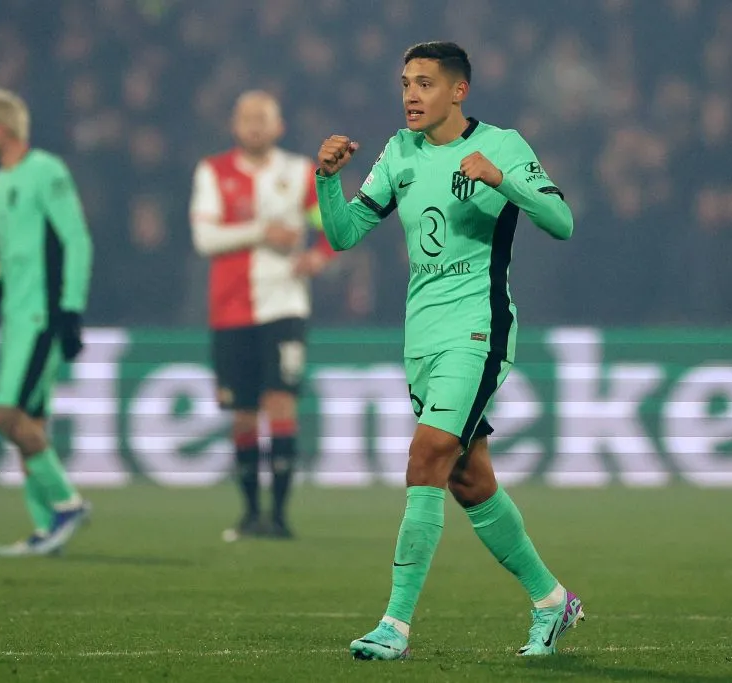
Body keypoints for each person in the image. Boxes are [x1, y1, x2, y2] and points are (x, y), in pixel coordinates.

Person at [314, 42, 581, 659]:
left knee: (428, 453)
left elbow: (562, 221)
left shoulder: (503, 145)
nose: (411, 95)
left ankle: (395, 626)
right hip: (421, 336)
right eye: (406, 83)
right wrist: (327, 181)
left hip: (478, 327)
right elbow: (343, 234)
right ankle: (550, 599)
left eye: (425, 84)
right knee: (467, 474)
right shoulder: (400, 151)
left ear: (458, 91)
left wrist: (504, 180)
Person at [190, 90, 334, 540]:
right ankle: (251, 514)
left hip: (285, 304)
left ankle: (281, 517)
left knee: (281, 403)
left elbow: (330, 223)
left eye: (263, 118)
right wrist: (261, 232)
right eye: (246, 117)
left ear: (279, 126)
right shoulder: (214, 171)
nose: (254, 125)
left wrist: (320, 256)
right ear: (235, 126)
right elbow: (205, 239)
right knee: (244, 416)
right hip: (231, 309)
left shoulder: (299, 173)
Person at [0, 88, 93, 557]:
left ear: (0, 131)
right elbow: (7, 263)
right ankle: (46, 529)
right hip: (15, 322)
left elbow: (76, 242)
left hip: (42, 318)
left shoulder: (47, 172)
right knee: (28, 424)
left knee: (6, 415)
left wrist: (70, 312)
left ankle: (67, 504)